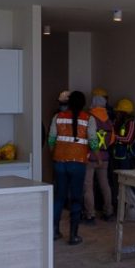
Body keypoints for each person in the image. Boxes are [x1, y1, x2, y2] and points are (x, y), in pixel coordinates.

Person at [47, 89, 96, 244]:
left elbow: (51, 139)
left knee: (59, 197)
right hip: (78, 163)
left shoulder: (58, 117)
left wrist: (54, 154)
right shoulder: (88, 118)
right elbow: (93, 141)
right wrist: (98, 157)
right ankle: (73, 236)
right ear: (83, 103)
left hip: (60, 162)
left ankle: (54, 231)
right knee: (76, 198)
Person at [83, 91, 115, 223]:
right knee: (105, 185)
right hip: (105, 156)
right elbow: (112, 139)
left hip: (90, 157)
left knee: (88, 186)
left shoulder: (89, 118)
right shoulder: (109, 121)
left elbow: (87, 137)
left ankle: (90, 214)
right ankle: (109, 211)